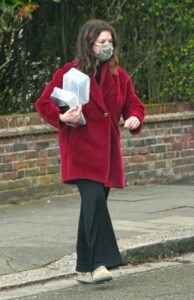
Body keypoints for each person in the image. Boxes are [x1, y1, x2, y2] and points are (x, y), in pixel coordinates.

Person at [35, 19, 144, 284]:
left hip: (106, 153)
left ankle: (83, 267)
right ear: (89, 44)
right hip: (80, 150)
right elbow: (43, 102)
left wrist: (135, 119)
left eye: (110, 42)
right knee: (94, 201)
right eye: (101, 42)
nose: (107, 47)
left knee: (92, 207)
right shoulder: (69, 72)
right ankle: (99, 264)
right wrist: (62, 117)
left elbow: (135, 105)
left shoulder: (120, 75)